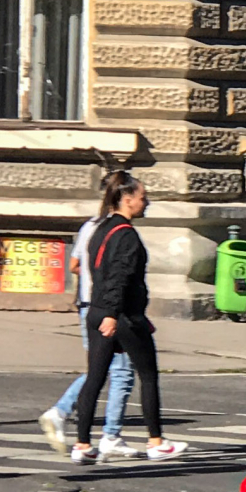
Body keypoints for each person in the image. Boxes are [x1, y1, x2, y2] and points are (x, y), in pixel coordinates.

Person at [69, 173, 188, 465]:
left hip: (95, 310)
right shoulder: (126, 235)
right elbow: (119, 278)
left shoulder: (100, 228)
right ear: (127, 199)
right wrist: (112, 314)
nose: (146, 203)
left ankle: (82, 444)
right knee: (148, 374)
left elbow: (96, 274)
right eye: (142, 197)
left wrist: (103, 312)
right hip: (121, 315)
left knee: (95, 378)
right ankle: (156, 442)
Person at [40, 189, 135, 456]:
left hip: (88, 306)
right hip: (106, 308)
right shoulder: (116, 231)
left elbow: (74, 264)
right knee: (120, 372)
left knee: (101, 369)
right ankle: (106, 434)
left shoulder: (91, 226)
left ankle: (77, 422)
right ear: (124, 198)